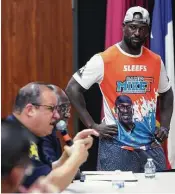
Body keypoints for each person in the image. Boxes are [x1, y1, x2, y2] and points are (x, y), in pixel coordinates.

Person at [65, 6, 174, 172]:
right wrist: (92, 124)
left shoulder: (155, 61)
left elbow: (167, 93)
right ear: (123, 27)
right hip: (116, 147)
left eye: (142, 28)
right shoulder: (104, 59)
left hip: (150, 145)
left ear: (147, 32)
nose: (137, 33)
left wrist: (165, 126)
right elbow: (72, 88)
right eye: (132, 27)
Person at [6, 82, 99, 191]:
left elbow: (45, 172)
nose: (57, 115)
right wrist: (76, 159)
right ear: (30, 110)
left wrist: (67, 156)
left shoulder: (28, 134)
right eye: (51, 108)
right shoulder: (12, 138)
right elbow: (45, 187)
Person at [39, 85, 71, 166]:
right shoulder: (41, 136)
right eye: (63, 108)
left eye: (67, 108)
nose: (68, 114)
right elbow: (51, 171)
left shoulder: (51, 132)